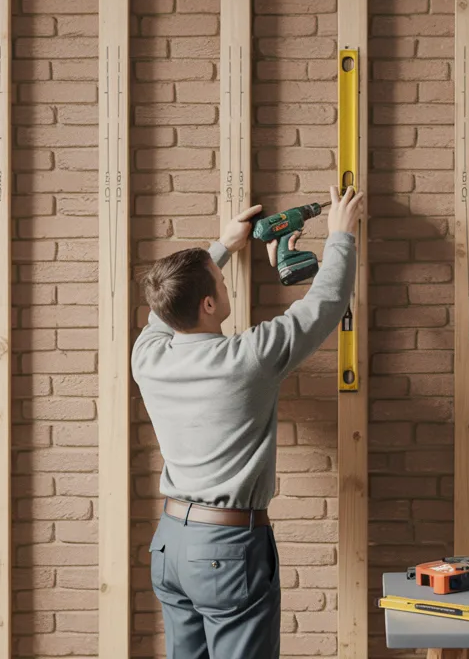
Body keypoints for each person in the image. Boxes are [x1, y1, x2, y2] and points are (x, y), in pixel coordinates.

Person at [132, 185, 366, 659]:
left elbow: (162, 314)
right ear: (208, 305)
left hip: (170, 545)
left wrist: (224, 245)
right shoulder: (248, 358)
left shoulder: (147, 356)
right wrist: (340, 235)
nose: (225, 283)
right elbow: (323, 306)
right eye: (220, 281)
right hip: (226, 549)